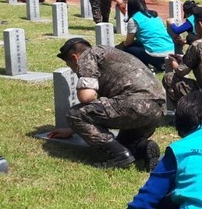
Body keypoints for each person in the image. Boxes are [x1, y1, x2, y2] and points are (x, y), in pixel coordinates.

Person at [48, 38, 165, 170]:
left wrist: (81, 82)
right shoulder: (109, 53)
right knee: (123, 144)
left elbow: (86, 96)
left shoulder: (87, 56)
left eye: (71, 67)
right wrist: (72, 130)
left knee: (75, 114)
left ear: (75, 58)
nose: (75, 71)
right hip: (157, 109)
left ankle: (120, 157)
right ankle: (142, 148)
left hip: (135, 104)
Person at [118, 0, 174, 71]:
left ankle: (146, 66)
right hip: (171, 50)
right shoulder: (155, 16)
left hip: (156, 54)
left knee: (127, 49)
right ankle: (161, 64)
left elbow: (128, 42)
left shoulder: (134, 19)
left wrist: (119, 46)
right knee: (139, 44)